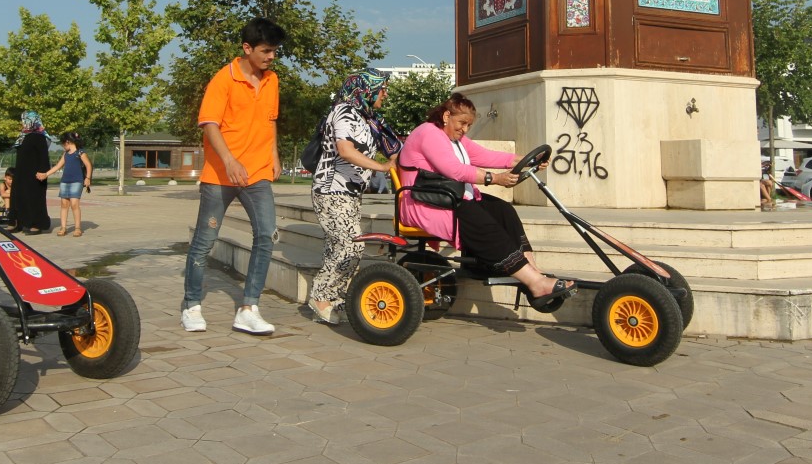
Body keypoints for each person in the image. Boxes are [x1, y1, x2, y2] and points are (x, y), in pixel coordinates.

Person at [397, 93, 574, 311]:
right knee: (480, 221)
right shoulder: (428, 133)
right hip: (423, 204)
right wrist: (495, 179)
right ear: (446, 116)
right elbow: (453, 169)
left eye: (469, 125)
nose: (465, 129)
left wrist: (527, 159)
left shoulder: (455, 139)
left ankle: (533, 273)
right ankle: (535, 283)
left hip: (447, 197)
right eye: (462, 123)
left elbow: (484, 156)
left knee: (503, 210)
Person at [182, 17, 286, 336]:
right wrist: (228, 160)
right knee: (205, 241)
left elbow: (269, 121)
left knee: (266, 235)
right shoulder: (222, 80)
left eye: (275, 51)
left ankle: (248, 308)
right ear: (247, 48)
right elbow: (209, 124)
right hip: (220, 175)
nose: (271, 57)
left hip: (257, 174)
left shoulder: (272, 81)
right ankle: (191, 305)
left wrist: (274, 156)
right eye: (266, 51)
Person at [307, 69, 399, 325]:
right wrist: (381, 167)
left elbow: (395, 148)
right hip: (331, 190)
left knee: (338, 246)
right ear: (366, 90)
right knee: (352, 246)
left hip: (350, 193)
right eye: (382, 89)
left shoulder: (369, 119)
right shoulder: (344, 112)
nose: (385, 93)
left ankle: (334, 299)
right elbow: (345, 151)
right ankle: (320, 297)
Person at [37, 132, 92, 236]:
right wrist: (46, 174)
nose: (63, 146)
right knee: (64, 204)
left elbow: (88, 165)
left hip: (77, 181)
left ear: (67, 142)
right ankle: (63, 228)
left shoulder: (80, 153)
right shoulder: (65, 154)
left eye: (63, 144)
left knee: (74, 204)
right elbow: (57, 166)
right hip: (65, 182)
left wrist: (88, 178)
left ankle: (77, 228)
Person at [8, 112, 52, 233]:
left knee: (34, 198)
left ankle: (37, 224)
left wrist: (43, 172)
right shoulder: (23, 136)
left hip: (35, 175)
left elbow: (44, 157)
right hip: (21, 173)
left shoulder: (40, 137)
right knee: (17, 197)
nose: (24, 122)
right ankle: (17, 222)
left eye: (26, 120)